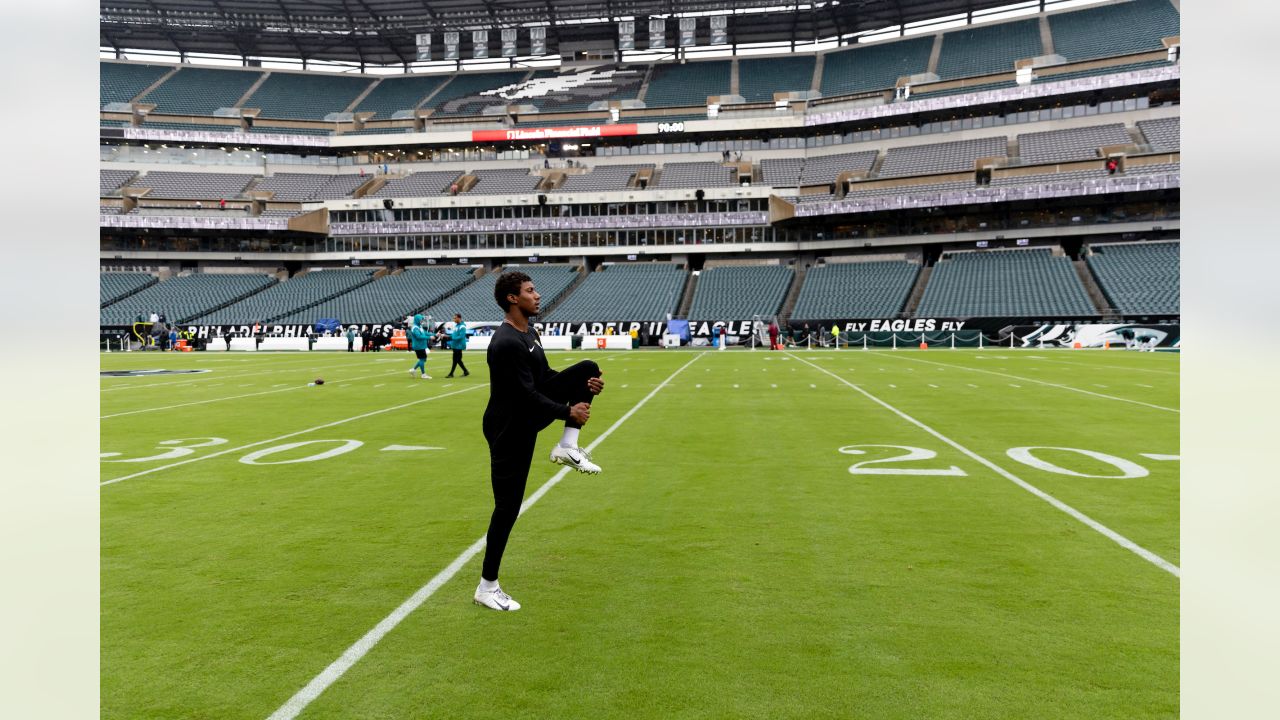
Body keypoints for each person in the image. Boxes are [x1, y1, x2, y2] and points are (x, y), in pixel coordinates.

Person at [475, 271, 606, 612]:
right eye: (530, 291)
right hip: (508, 429)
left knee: (588, 368)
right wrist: (568, 411)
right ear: (512, 299)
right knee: (507, 508)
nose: (537, 295)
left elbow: (544, 378)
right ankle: (487, 587)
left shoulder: (529, 331)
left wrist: (581, 390)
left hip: (526, 415)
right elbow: (524, 396)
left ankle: (567, 446)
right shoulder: (505, 343)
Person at [445, 313, 470, 378]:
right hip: (456, 345)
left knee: (456, 359)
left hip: (459, 345)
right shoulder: (457, 326)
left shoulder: (462, 326)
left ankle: (451, 373)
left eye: (455, 318)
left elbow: (461, 337)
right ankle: (465, 371)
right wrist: (446, 336)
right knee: (457, 360)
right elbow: (454, 335)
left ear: (459, 318)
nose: (454, 319)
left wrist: (452, 338)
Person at [408, 314, 431, 379]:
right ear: (417, 320)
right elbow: (419, 336)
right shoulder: (415, 328)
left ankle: (413, 369)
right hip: (418, 346)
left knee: (423, 359)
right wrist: (429, 337)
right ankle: (423, 374)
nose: (422, 321)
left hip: (421, 345)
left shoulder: (419, 326)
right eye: (421, 319)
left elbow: (425, 333)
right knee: (422, 359)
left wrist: (435, 334)